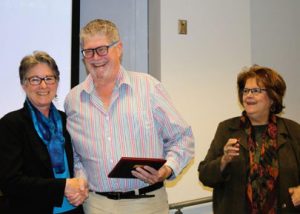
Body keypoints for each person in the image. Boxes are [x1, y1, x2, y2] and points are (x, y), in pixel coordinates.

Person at [64, 19, 195, 214]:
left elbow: (183, 138)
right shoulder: (74, 99)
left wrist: (166, 170)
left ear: (119, 48)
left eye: (102, 49)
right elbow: (75, 156)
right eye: (88, 51)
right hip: (96, 205)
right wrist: (80, 179)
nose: (95, 58)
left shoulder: (149, 88)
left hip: (147, 202)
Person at [198, 65, 300, 213]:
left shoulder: (293, 131)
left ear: (272, 97)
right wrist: (224, 160)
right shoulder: (227, 129)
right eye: (246, 91)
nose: (248, 95)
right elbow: (205, 176)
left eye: (256, 91)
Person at [0, 51, 89, 214]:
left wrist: (81, 183)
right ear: (23, 84)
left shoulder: (66, 120)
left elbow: (78, 161)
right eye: (35, 79)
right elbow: (10, 182)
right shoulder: (10, 124)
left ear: (57, 82)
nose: (43, 86)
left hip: (73, 209)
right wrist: (63, 186)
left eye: (49, 78)